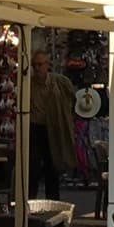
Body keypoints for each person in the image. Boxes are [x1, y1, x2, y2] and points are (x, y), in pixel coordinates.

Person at [28, 48, 77, 198]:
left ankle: (53, 202)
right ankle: (30, 202)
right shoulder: (28, 85)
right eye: (34, 65)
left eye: (40, 65)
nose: (37, 68)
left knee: (52, 166)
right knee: (33, 168)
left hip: (52, 128)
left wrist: (65, 115)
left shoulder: (59, 82)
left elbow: (72, 98)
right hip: (35, 128)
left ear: (47, 65)